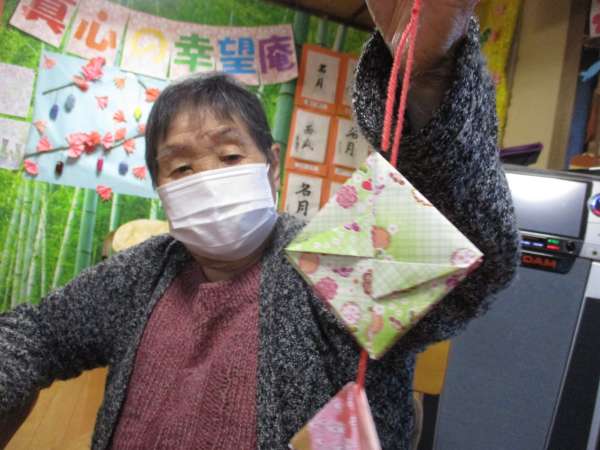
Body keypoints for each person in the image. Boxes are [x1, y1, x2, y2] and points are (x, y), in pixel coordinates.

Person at [0, 0, 519, 449]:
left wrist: (427, 77)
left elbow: (463, 234)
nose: (207, 179)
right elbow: (38, 332)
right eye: (181, 168)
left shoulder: (329, 261)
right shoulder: (142, 272)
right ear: (160, 190)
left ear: (271, 166)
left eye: (229, 156)